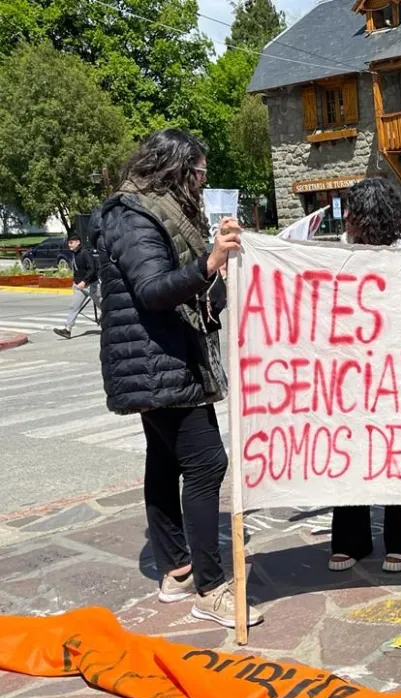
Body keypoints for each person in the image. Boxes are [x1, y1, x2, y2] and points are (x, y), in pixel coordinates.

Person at [91, 129, 260, 629]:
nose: (203, 183)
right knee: (207, 463)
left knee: (165, 461)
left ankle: (177, 570)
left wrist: (216, 276)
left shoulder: (157, 212)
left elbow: (185, 289)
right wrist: (208, 262)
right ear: (177, 169)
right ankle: (210, 588)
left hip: (164, 357)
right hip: (157, 361)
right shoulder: (134, 215)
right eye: (200, 173)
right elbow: (152, 289)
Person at [329, 177, 401, 574]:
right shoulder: (339, 254)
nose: (345, 217)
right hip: (352, 374)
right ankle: (349, 540)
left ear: (369, 216)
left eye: (352, 210)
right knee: (349, 452)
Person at [53, 235, 99, 339]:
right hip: (80, 287)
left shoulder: (85, 253)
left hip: (92, 285)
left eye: (71, 243)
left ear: (78, 242)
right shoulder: (74, 254)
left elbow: (92, 269)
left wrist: (84, 281)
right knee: (74, 307)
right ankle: (67, 330)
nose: (69, 245)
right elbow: (77, 269)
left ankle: (113, 324)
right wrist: (75, 281)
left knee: (103, 306)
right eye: (68, 243)